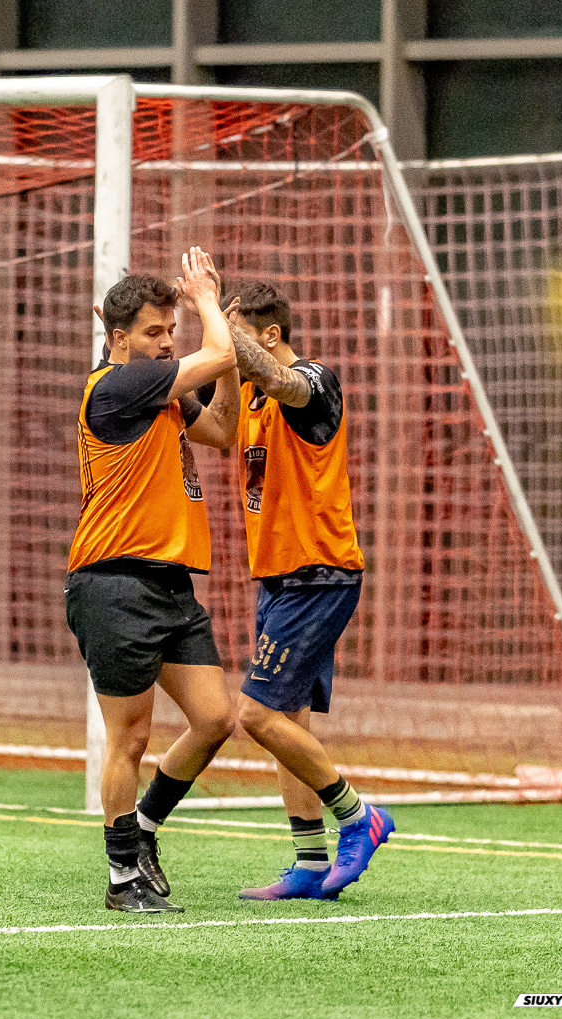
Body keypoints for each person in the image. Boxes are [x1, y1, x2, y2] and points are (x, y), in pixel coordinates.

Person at [66, 247, 241, 914]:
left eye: (172, 330)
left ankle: (141, 827)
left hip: (168, 584)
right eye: (154, 332)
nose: (167, 342)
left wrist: (231, 366)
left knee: (214, 718)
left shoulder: (160, 392)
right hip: (113, 581)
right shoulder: (119, 385)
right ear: (119, 339)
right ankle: (122, 879)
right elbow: (215, 353)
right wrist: (207, 303)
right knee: (131, 738)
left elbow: (222, 429)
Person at [223, 281, 393, 900]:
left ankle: (359, 816)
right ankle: (309, 862)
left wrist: (216, 319)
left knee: (257, 715)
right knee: (288, 719)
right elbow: (207, 418)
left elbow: (281, 380)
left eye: (235, 331)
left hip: (319, 574)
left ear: (270, 335)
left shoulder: (314, 382)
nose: (223, 341)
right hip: (277, 577)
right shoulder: (246, 395)